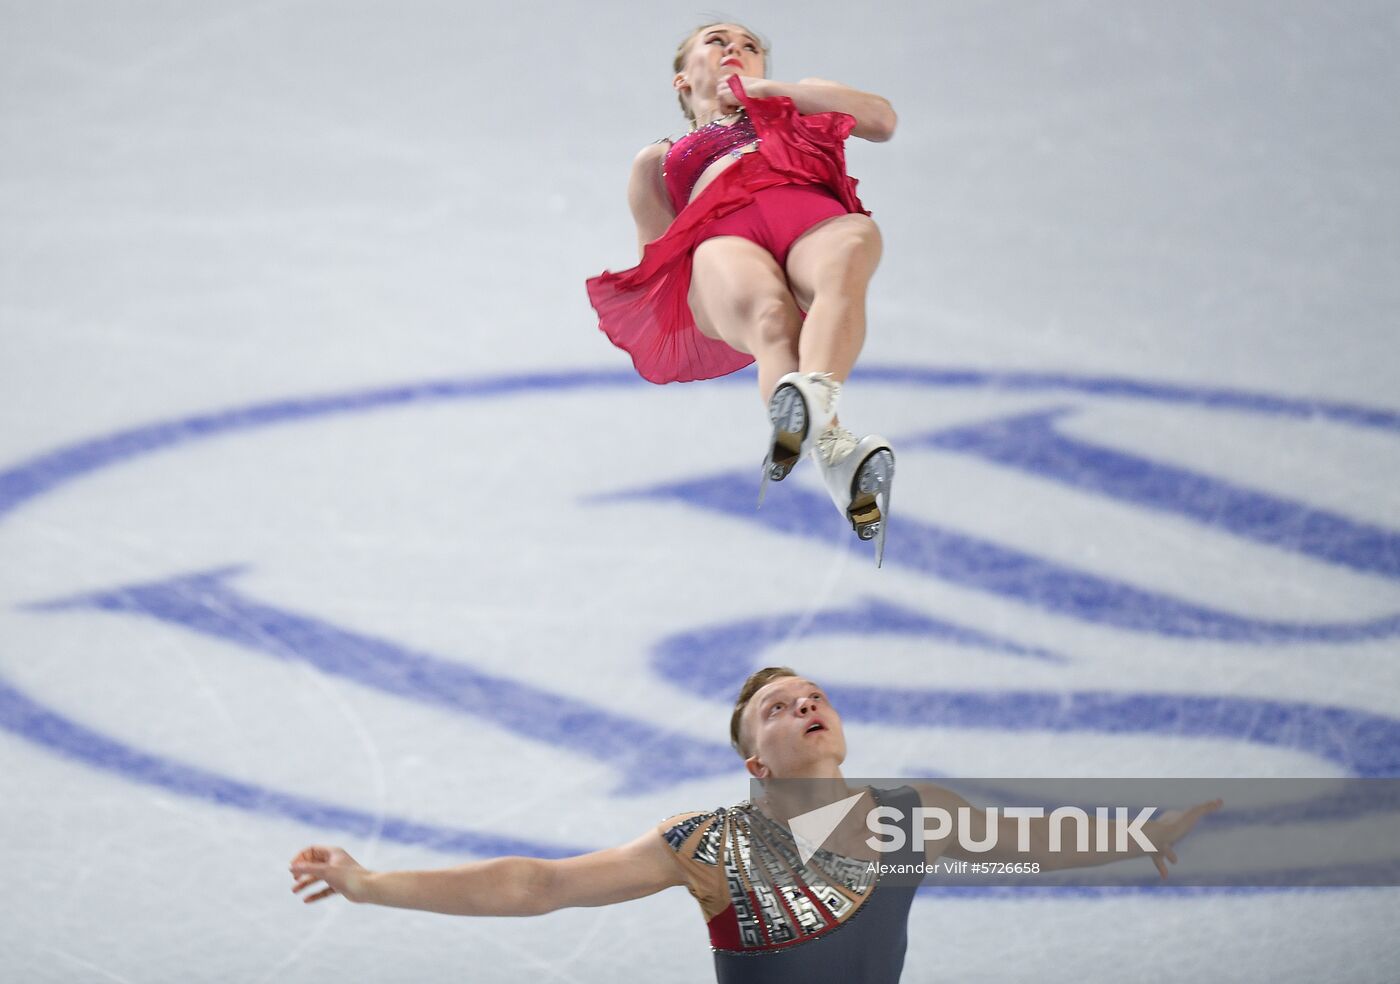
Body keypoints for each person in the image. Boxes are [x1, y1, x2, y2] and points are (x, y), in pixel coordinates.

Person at [290, 666, 1221, 983]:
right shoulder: (711, 846)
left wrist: (1140, 836)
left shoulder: (914, 813)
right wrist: (373, 885)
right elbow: (540, 885)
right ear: (755, 763)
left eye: (815, 697)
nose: (806, 705)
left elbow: (1027, 841)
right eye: (780, 707)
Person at [584, 24, 900, 564]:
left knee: (853, 245)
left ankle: (820, 419)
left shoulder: (796, 99)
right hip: (724, 244)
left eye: (750, 47)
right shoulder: (657, 160)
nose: (736, 49)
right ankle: (832, 445)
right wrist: (711, 303)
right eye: (716, 41)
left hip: (809, 221)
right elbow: (661, 263)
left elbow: (881, 120)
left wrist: (777, 94)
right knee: (772, 319)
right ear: (683, 79)